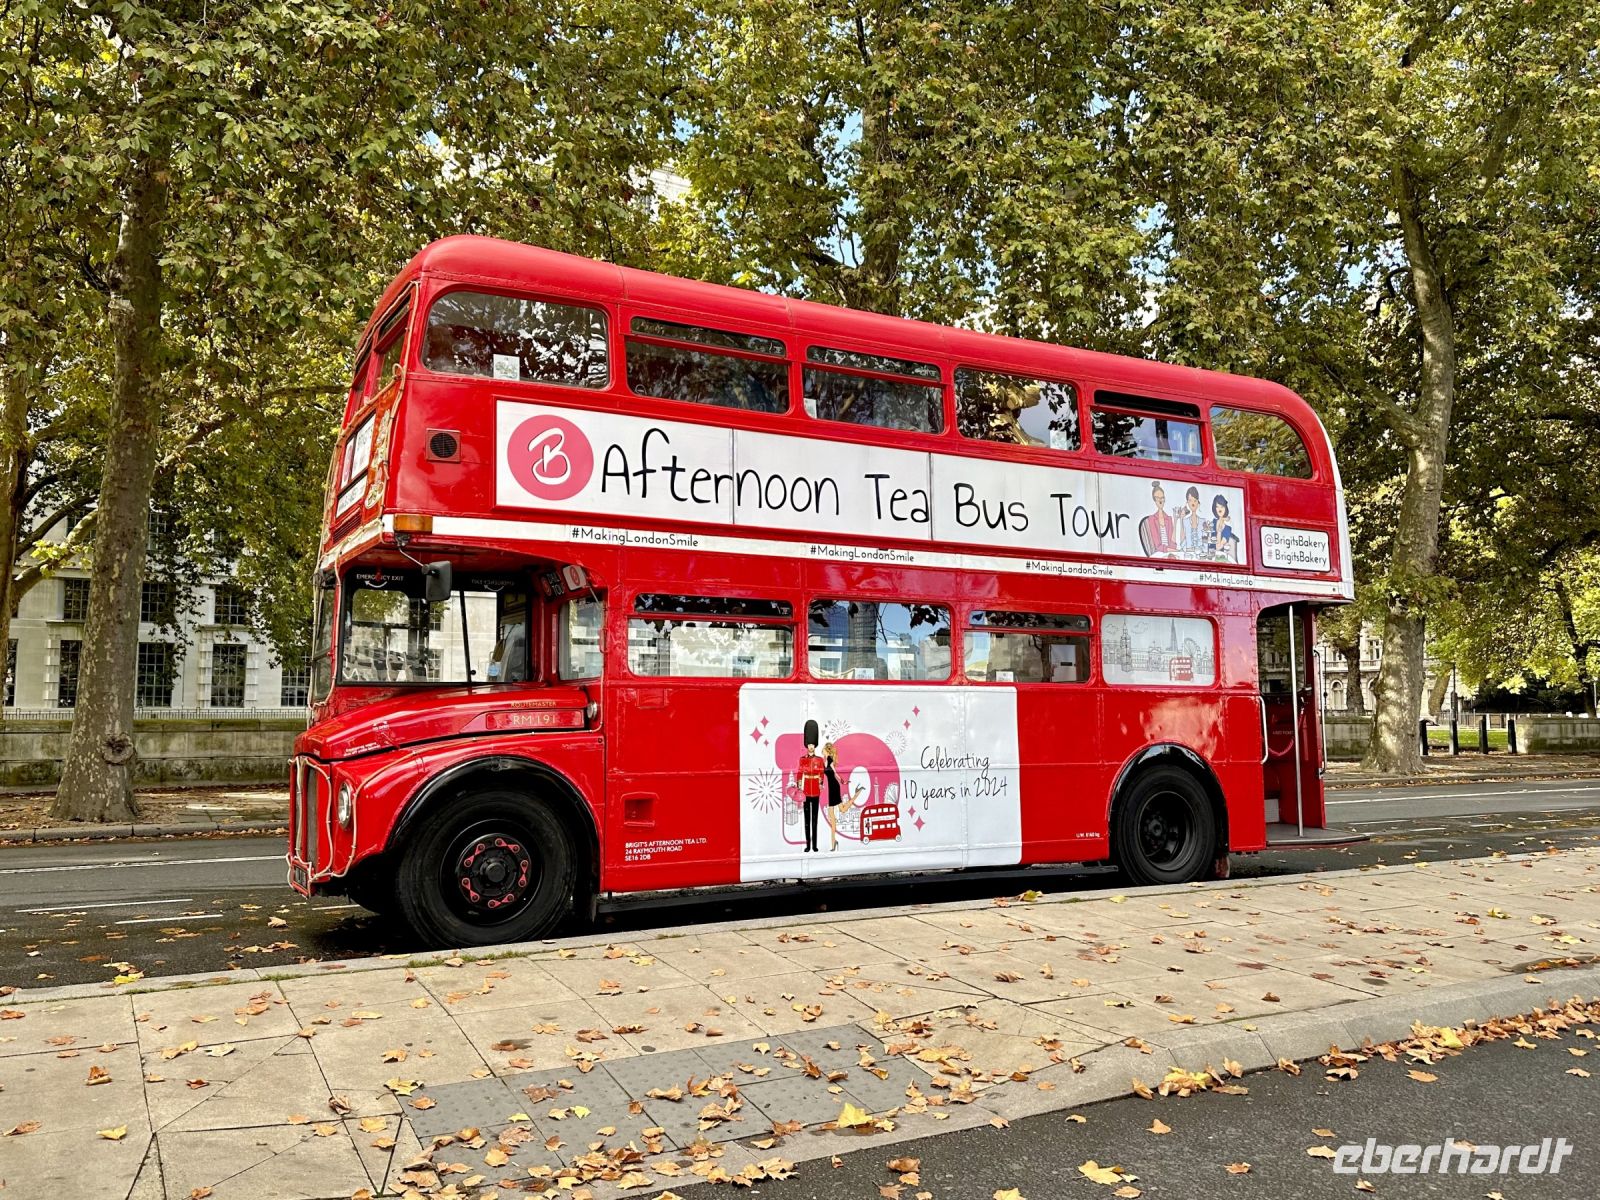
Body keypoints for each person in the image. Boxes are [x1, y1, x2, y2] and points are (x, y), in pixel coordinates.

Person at [822, 742, 865, 851]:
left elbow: (835, 773)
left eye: (823, 750)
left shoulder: (829, 760)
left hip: (834, 787)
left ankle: (833, 844)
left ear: (826, 751)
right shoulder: (825, 761)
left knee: (837, 814)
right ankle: (834, 843)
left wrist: (843, 781)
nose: (822, 752)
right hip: (831, 788)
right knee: (838, 813)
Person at [796, 722, 825, 853]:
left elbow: (821, 773)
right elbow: (799, 773)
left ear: (815, 745)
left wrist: (820, 783)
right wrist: (799, 786)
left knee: (815, 820)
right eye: (809, 744)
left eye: (813, 744)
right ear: (807, 745)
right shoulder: (802, 759)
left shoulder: (819, 760)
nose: (811, 746)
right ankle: (808, 845)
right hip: (806, 791)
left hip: (816, 792)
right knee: (807, 820)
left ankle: (815, 845)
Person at [1139, 482, 1176, 555]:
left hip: (1170, 554)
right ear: (1154, 500)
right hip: (1158, 554)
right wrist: (1172, 550)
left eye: (1162, 498)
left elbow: (1173, 544)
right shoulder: (1152, 519)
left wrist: (1176, 520)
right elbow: (1158, 546)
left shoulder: (1169, 519)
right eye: (1157, 498)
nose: (1160, 500)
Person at [1208, 494, 1240, 562]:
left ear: (1225, 508)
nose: (1219, 509)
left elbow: (1218, 547)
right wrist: (1222, 519)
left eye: (1222, 506)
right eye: (1217, 506)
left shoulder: (1227, 529)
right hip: (1208, 556)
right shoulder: (1213, 522)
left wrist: (1219, 532)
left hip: (1220, 558)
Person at [1175, 485, 1204, 557]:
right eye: (1190, 500)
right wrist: (1181, 519)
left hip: (1201, 554)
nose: (1192, 503)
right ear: (1187, 503)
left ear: (1198, 503)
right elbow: (1182, 540)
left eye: (1195, 500)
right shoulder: (1185, 521)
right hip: (1188, 554)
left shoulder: (1203, 521)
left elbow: (1205, 541)